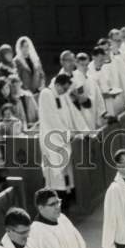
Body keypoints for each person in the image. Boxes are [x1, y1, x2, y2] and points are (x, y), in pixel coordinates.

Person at [37, 73, 87, 208]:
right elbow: (51, 118)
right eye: (64, 88)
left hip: (62, 136)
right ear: (57, 85)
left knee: (65, 169)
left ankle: (66, 196)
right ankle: (55, 200)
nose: (65, 92)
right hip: (51, 137)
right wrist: (68, 134)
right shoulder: (46, 94)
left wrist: (81, 130)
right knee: (55, 170)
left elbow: (71, 113)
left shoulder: (61, 94)